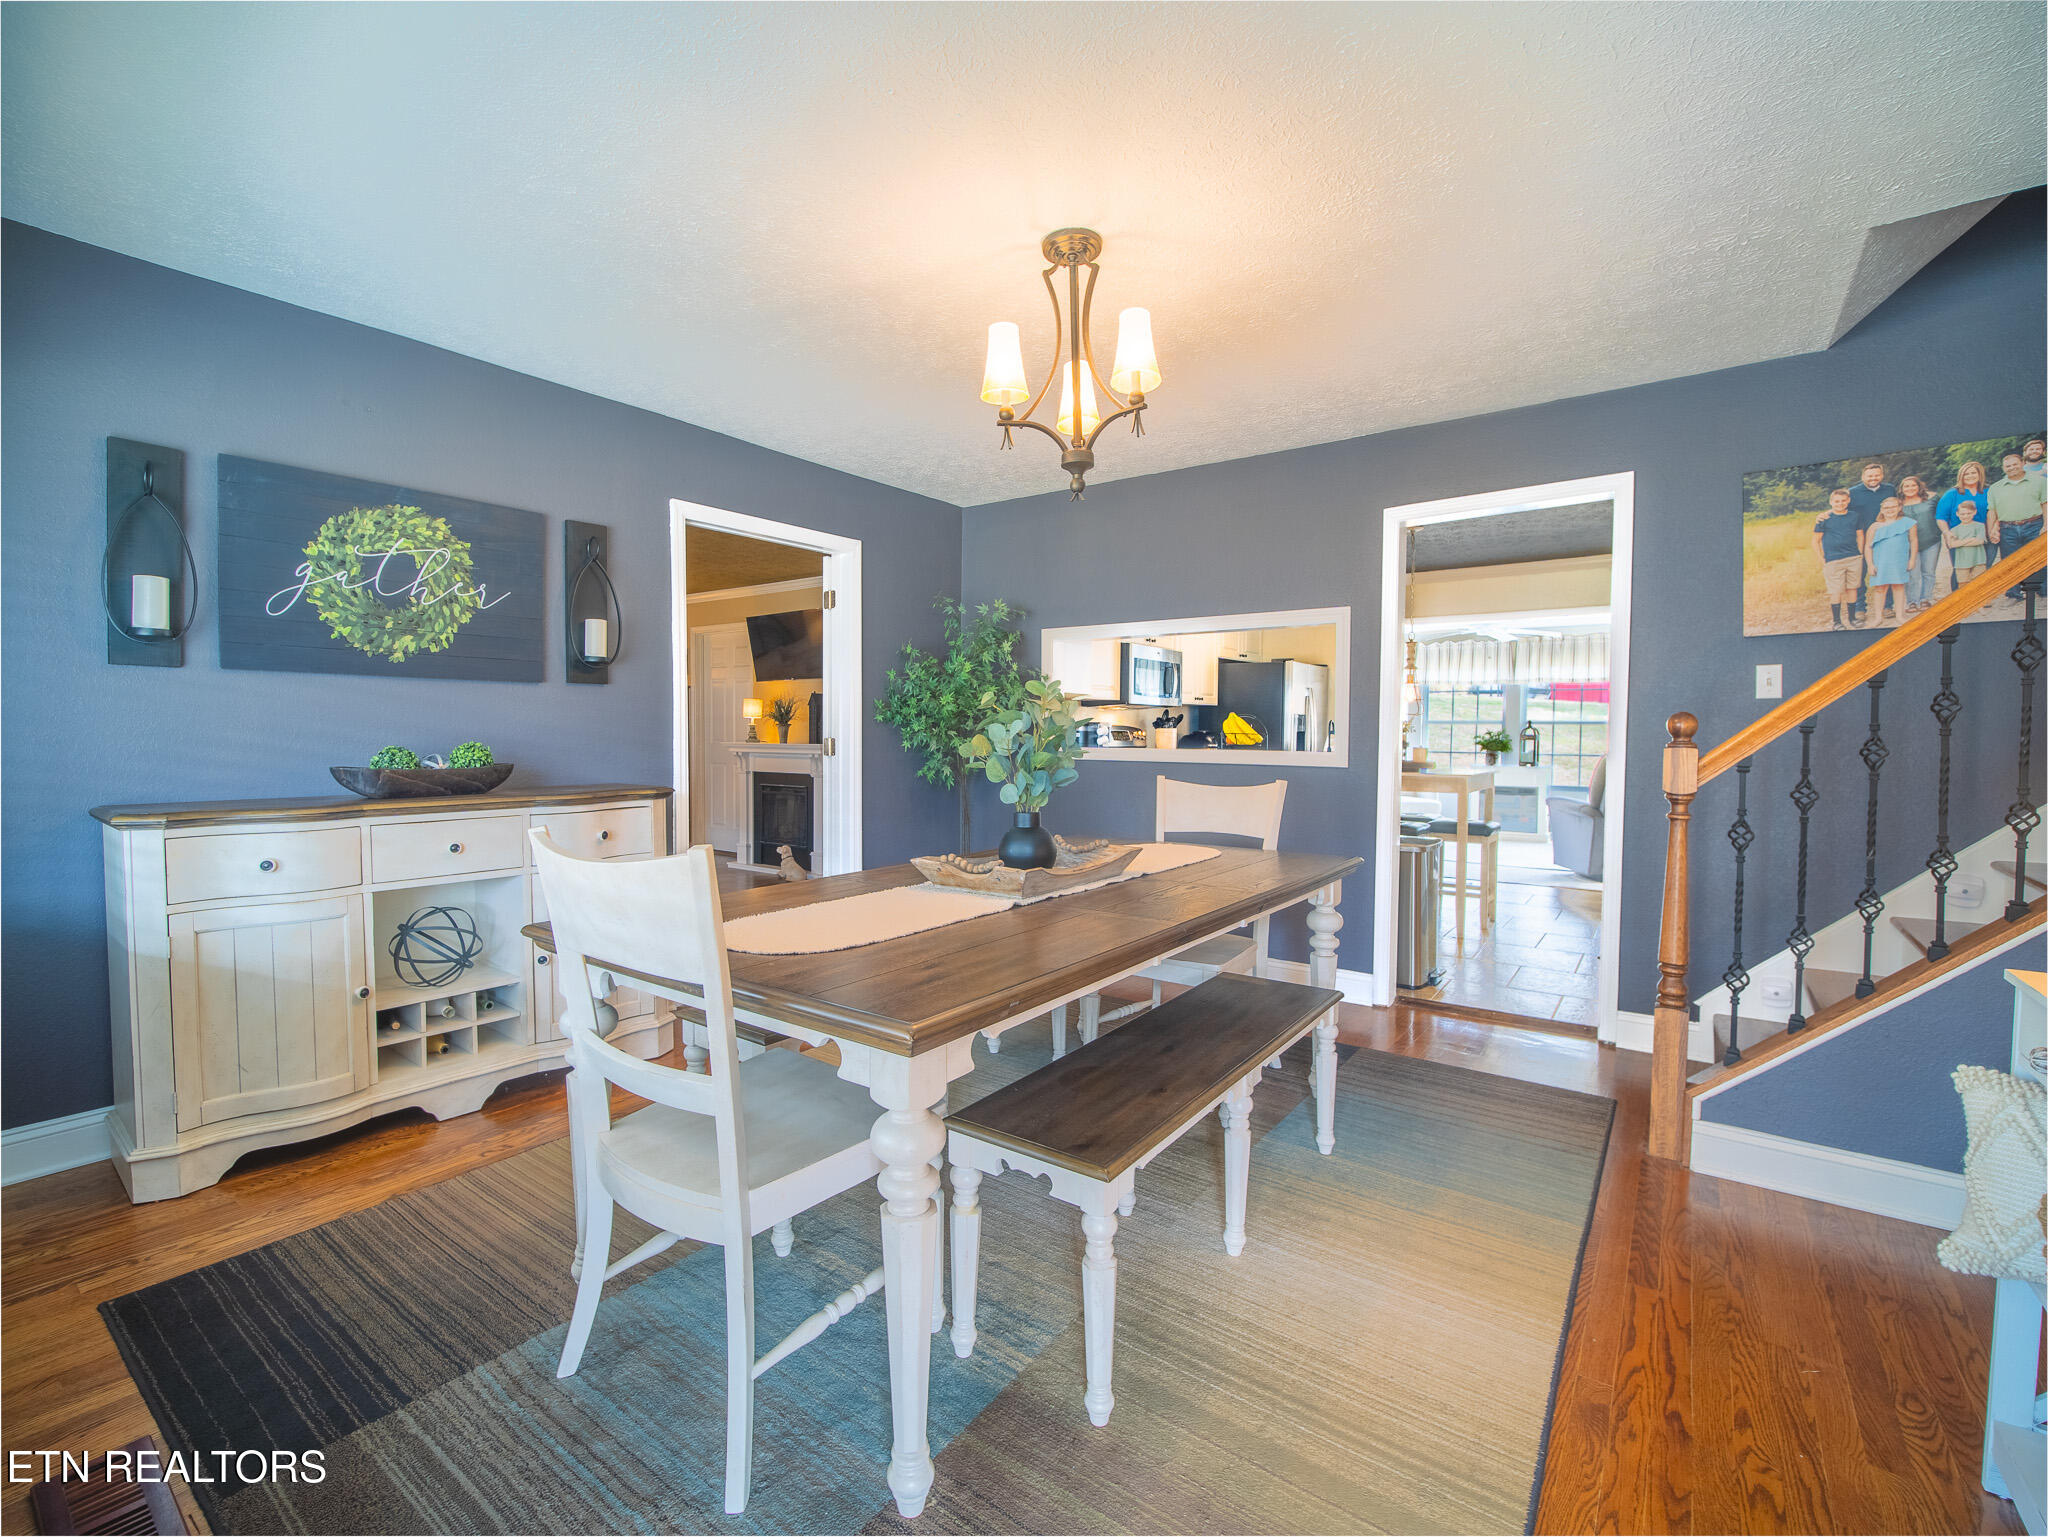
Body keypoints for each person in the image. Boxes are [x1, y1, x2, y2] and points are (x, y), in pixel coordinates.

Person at [1987, 450, 2046, 600]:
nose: (2012, 468)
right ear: (2003, 468)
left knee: (2039, 559)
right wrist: (1992, 530)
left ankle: (2043, 591)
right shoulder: (1995, 488)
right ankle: (2013, 594)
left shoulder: (2039, 481)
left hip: (2034, 525)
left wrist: (2046, 525)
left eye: (2015, 464)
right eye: (2008, 466)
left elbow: (2045, 503)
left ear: (2023, 463)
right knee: (2009, 562)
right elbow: (1992, 511)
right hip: (2007, 528)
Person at [1843, 460, 1897, 624]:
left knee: (1885, 572)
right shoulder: (1853, 492)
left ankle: (1887, 606)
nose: (1873, 478)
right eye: (1870, 476)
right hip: (1861, 540)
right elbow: (1840, 509)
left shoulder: (1890, 489)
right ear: (1863, 477)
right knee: (1860, 574)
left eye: (1877, 475)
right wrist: (1824, 515)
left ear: (1882, 475)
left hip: (1885, 538)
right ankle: (1860, 608)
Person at [1811, 487, 1865, 631]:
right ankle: (1837, 621)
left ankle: (1852, 618)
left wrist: (1860, 553)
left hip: (1853, 558)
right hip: (1833, 560)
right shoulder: (1824, 518)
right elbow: (1815, 541)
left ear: (1848, 501)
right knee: (1836, 591)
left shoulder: (1855, 516)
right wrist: (1821, 559)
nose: (1840, 503)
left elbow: (1860, 535)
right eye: (1837, 501)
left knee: (1852, 588)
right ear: (1831, 502)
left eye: (1843, 501)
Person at [1936, 461, 1992, 594]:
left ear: (1980, 474)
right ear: (1961, 476)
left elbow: (1994, 510)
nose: (1970, 476)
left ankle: (1978, 597)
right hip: (1959, 535)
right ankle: (1959, 596)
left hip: (1983, 533)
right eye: (1966, 474)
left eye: (1973, 473)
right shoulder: (1952, 494)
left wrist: (1993, 529)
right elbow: (1941, 516)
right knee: (1961, 569)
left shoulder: (1988, 491)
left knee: (1982, 566)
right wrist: (1947, 533)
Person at [1864, 496, 1915, 626]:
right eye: (1886, 508)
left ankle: (1899, 615)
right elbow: (1868, 547)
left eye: (1893, 507)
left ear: (1899, 508)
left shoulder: (1907, 523)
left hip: (1899, 561)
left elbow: (1913, 541)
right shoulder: (1875, 526)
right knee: (1880, 589)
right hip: (1881, 562)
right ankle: (1878, 617)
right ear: (1882, 510)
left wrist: (1912, 559)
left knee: (1898, 587)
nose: (1890, 510)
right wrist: (1870, 564)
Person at [1899, 474, 1943, 610]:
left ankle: (1925, 598)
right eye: (1906, 486)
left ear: (1919, 486)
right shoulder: (1898, 504)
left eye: (1913, 485)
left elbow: (1942, 514)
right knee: (1912, 573)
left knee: (1928, 571)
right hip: (1909, 544)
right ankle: (1912, 601)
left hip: (1931, 540)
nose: (1910, 488)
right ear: (1901, 489)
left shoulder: (1932, 499)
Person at [1945, 489, 1992, 592]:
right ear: (1957, 514)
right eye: (1962, 514)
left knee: (1979, 582)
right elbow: (1952, 544)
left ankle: (1979, 599)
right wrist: (1970, 539)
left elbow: (1980, 541)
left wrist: (1960, 542)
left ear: (1974, 512)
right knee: (1963, 583)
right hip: (1961, 562)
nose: (1965, 516)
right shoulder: (1954, 529)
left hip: (1978, 560)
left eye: (1968, 513)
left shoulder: (1979, 526)